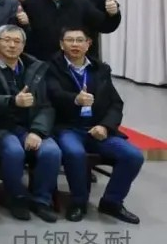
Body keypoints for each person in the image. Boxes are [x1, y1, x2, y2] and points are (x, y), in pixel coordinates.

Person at [47, 27, 142, 224]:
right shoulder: (51, 67)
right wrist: (75, 99)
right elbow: (52, 94)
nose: (75, 44)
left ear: (88, 44)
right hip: (67, 127)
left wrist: (106, 126)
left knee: (133, 156)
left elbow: (115, 104)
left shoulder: (101, 69)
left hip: (97, 128)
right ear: (61, 44)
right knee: (75, 153)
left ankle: (112, 202)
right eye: (70, 40)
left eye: (79, 40)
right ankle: (78, 202)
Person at [0, 24, 60, 222]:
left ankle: (42, 200)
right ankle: (17, 198)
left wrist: (37, 131)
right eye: (7, 40)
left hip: (29, 126)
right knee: (14, 151)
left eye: (17, 41)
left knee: (51, 151)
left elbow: (46, 105)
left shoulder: (35, 68)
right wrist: (12, 101)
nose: (12, 45)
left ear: (23, 45)